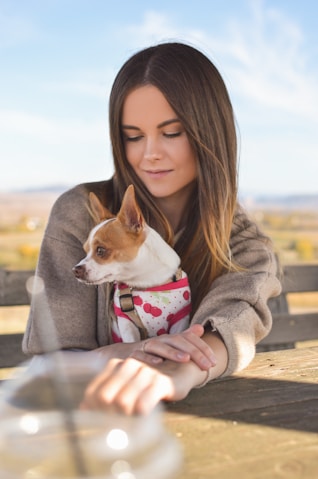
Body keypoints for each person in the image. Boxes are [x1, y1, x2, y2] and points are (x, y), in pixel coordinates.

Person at [23, 42, 281, 415]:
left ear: (210, 135)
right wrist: (128, 352)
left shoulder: (241, 241)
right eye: (133, 136)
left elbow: (237, 318)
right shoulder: (81, 213)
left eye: (172, 132)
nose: (150, 153)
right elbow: (49, 362)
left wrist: (184, 369)